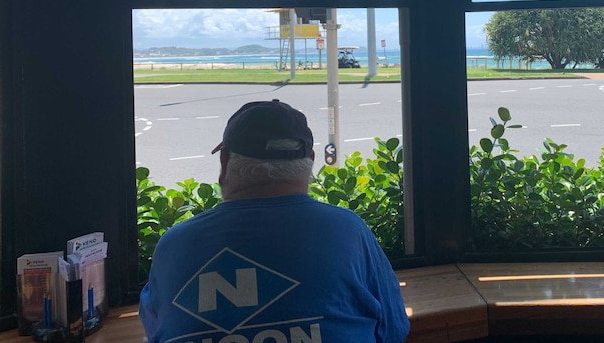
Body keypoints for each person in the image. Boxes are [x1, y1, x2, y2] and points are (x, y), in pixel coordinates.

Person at [139, 100, 410, 343]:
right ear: (311, 162)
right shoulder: (347, 231)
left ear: (224, 162)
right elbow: (392, 329)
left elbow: (157, 328)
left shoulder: (175, 244)